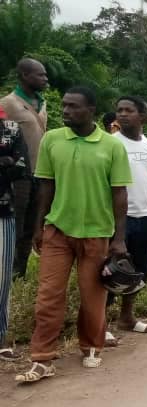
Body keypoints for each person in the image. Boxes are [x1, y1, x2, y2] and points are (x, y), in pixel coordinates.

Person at [16, 86, 133, 383]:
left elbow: (120, 194)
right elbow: (45, 186)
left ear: (90, 110)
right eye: (64, 106)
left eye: (73, 107)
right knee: (48, 296)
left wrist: (119, 238)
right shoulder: (52, 140)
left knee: (92, 295)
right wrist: (38, 227)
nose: (65, 111)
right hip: (58, 230)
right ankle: (42, 358)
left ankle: (91, 346)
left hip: (96, 233)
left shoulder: (111, 146)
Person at [108, 96, 147, 337]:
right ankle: (101, 325)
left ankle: (126, 318)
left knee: (138, 272)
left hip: (145, 218)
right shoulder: (110, 144)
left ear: (143, 117)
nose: (122, 114)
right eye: (119, 110)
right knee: (109, 271)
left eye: (129, 110)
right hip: (118, 219)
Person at [0, 58, 49, 278]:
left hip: (40, 173)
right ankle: (7, 268)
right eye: (40, 74)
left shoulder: (42, 103)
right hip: (18, 175)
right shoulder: (8, 103)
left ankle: (20, 270)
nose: (45, 78)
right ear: (24, 76)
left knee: (32, 223)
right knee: (15, 223)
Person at [0, 107, 28, 361]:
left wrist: (9, 162)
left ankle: (1, 340)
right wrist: (4, 160)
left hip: (3, 211)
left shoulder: (10, 129)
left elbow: (20, 168)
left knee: (2, 280)